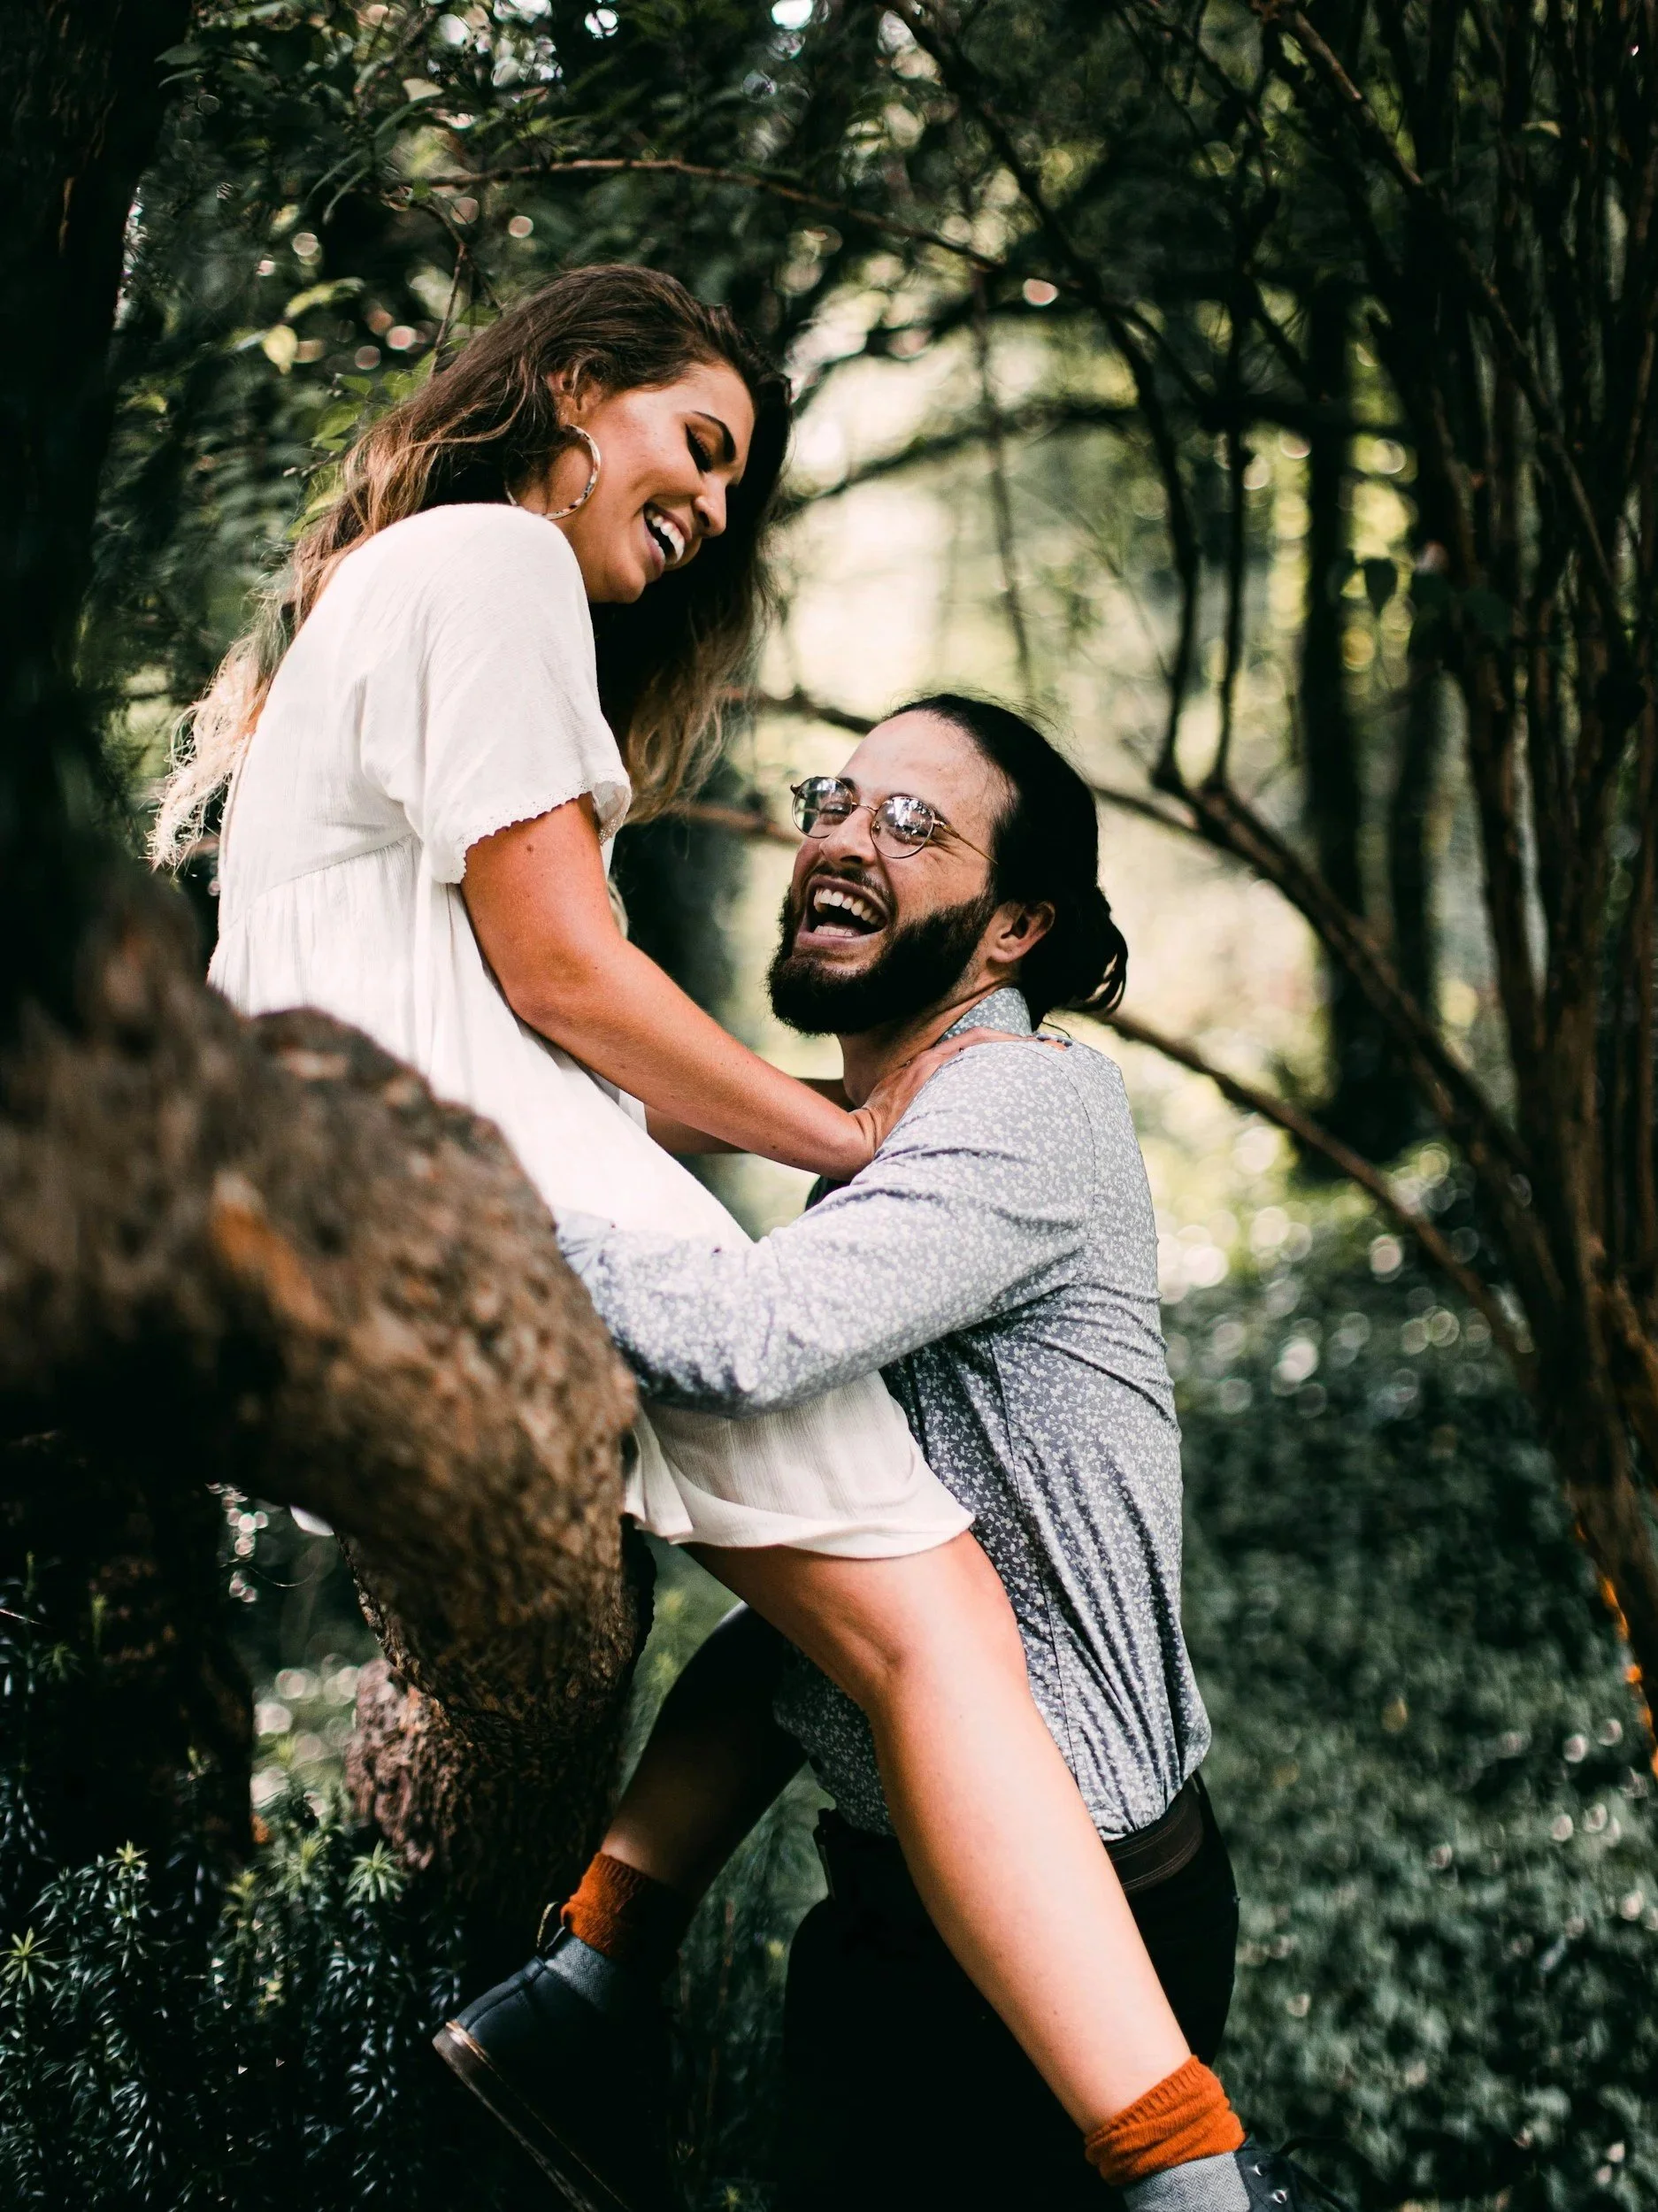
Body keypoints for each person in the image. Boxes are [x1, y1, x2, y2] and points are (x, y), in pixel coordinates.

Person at [156, 266, 1259, 2212]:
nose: (712, 508)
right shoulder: (495, 564)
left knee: (852, 1625)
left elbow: (540, 1011)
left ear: (1011, 924)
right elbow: (569, 975)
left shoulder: (387, 592)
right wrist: (819, 1120)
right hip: (463, 1176)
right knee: (929, 1631)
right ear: (575, 388)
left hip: (369, 1167)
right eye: (700, 443)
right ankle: (1193, 2180)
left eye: (913, 825)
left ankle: (584, 1983)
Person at [453, 695, 1338, 2212]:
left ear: (1013, 929)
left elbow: (740, 1345)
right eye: (833, 802)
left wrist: (454, 1178)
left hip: (1081, 1914)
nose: (844, 841)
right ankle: (588, 1974)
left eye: (914, 824)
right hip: (894, 1892)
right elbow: (834, 1578)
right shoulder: (895, 1131)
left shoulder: (1021, 1104)